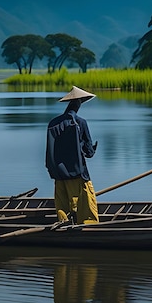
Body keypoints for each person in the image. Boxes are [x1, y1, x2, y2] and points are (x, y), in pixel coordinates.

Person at [45, 85, 99, 224]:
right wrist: (92, 149)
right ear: (80, 103)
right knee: (87, 208)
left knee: (62, 209)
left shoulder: (53, 123)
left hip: (58, 175)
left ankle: (64, 228)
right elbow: (89, 153)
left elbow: (50, 150)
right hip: (78, 174)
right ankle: (89, 231)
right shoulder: (80, 123)